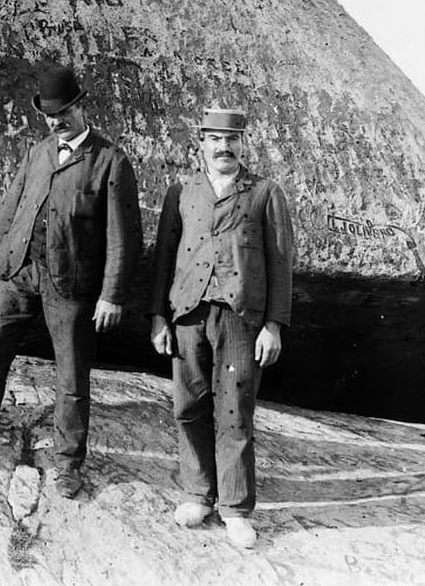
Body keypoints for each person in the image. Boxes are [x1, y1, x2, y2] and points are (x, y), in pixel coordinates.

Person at [0, 64, 142, 499]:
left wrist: (112, 295)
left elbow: (125, 238)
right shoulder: (37, 153)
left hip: (69, 283)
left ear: (81, 105)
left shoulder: (110, 161)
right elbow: (9, 210)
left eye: (64, 112)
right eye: (50, 115)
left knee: (71, 373)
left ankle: (68, 462)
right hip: (19, 272)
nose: (57, 121)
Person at [149, 108, 295, 548]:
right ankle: (199, 493)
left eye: (231, 139)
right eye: (214, 139)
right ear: (201, 143)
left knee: (235, 412)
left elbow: (281, 264)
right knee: (188, 406)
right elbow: (163, 258)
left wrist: (274, 325)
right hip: (188, 314)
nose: (223, 147)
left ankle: (235, 508)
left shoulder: (266, 194)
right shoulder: (181, 192)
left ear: (242, 143)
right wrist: (158, 315)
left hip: (239, 319)